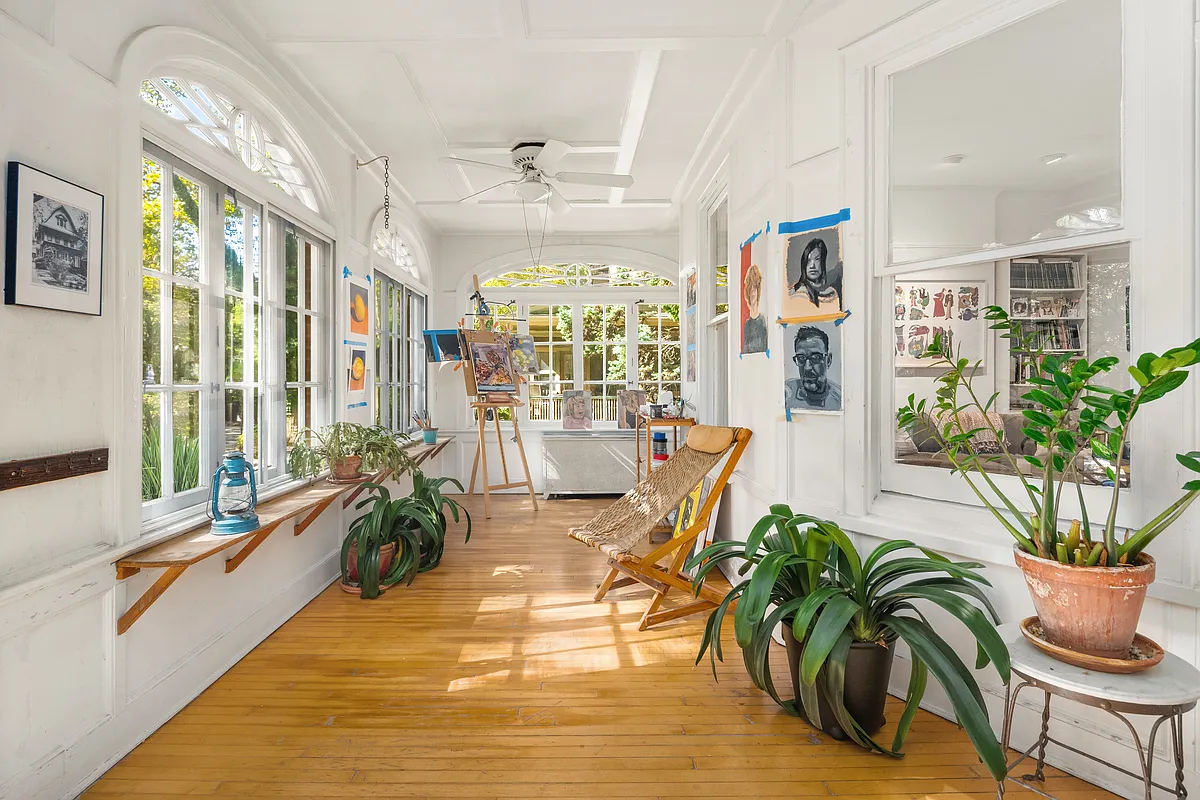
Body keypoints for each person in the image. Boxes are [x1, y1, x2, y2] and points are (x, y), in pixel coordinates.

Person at [785, 326, 842, 410]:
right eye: (801, 358)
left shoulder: (840, 400)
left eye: (815, 358)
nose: (807, 367)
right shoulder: (786, 395)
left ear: (828, 360)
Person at [788, 235, 842, 316]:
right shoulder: (796, 294)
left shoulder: (832, 293)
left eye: (817, 259)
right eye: (809, 260)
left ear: (823, 262)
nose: (812, 266)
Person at [741, 263, 767, 354]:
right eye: (750, 289)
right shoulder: (747, 325)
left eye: (754, 288)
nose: (752, 293)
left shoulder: (762, 321)